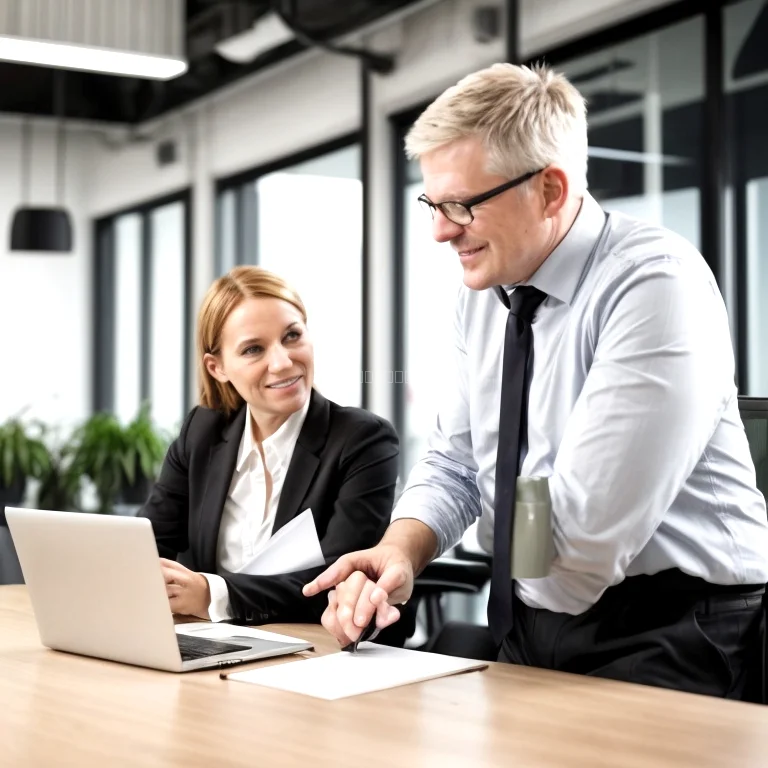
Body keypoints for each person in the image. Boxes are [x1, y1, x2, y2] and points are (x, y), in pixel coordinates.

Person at [303, 63, 768, 700]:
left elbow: (580, 540)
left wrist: (494, 516)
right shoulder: (485, 294)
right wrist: (402, 550)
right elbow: (457, 459)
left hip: (676, 631)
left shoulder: (656, 286)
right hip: (532, 616)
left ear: (550, 190)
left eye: (461, 204)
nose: (439, 230)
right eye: (432, 203)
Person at [139, 265, 399, 627]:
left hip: (312, 653)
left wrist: (212, 594)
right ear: (218, 368)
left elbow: (338, 582)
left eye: (292, 336)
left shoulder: (363, 440)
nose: (281, 362)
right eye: (253, 349)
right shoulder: (202, 432)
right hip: (211, 648)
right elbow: (146, 547)